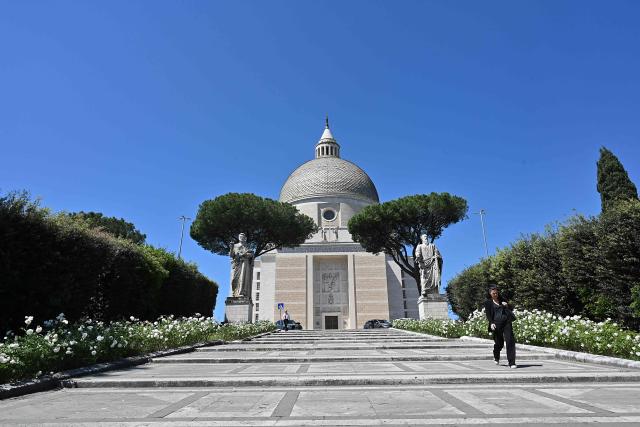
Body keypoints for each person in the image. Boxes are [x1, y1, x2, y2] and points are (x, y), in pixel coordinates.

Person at [484, 284, 517, 368]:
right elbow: (488, 314)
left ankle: (512, 363)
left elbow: (511, 308)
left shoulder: (502, 300)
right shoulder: (488, 303)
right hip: (496, 324)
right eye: (493, 293)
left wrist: (507, 305)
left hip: (507, 322)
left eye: (496, 293)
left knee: (510, 341)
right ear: (490, 294)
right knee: (499, 343)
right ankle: (496, 356)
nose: (495, 294)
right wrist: (491, 323)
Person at [229, 233, 254, 297]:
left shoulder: (248, 247)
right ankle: (234, 292)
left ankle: (242, 292)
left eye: (243, 237)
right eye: (240, 236)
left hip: (245, 263)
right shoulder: (235, 246)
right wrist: (231, 248)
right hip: (237, 264)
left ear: (245, 238)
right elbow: (231, 255)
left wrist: (245, 255)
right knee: (234, 279)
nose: (241, 238)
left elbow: (251, 255)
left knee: (243, 277)